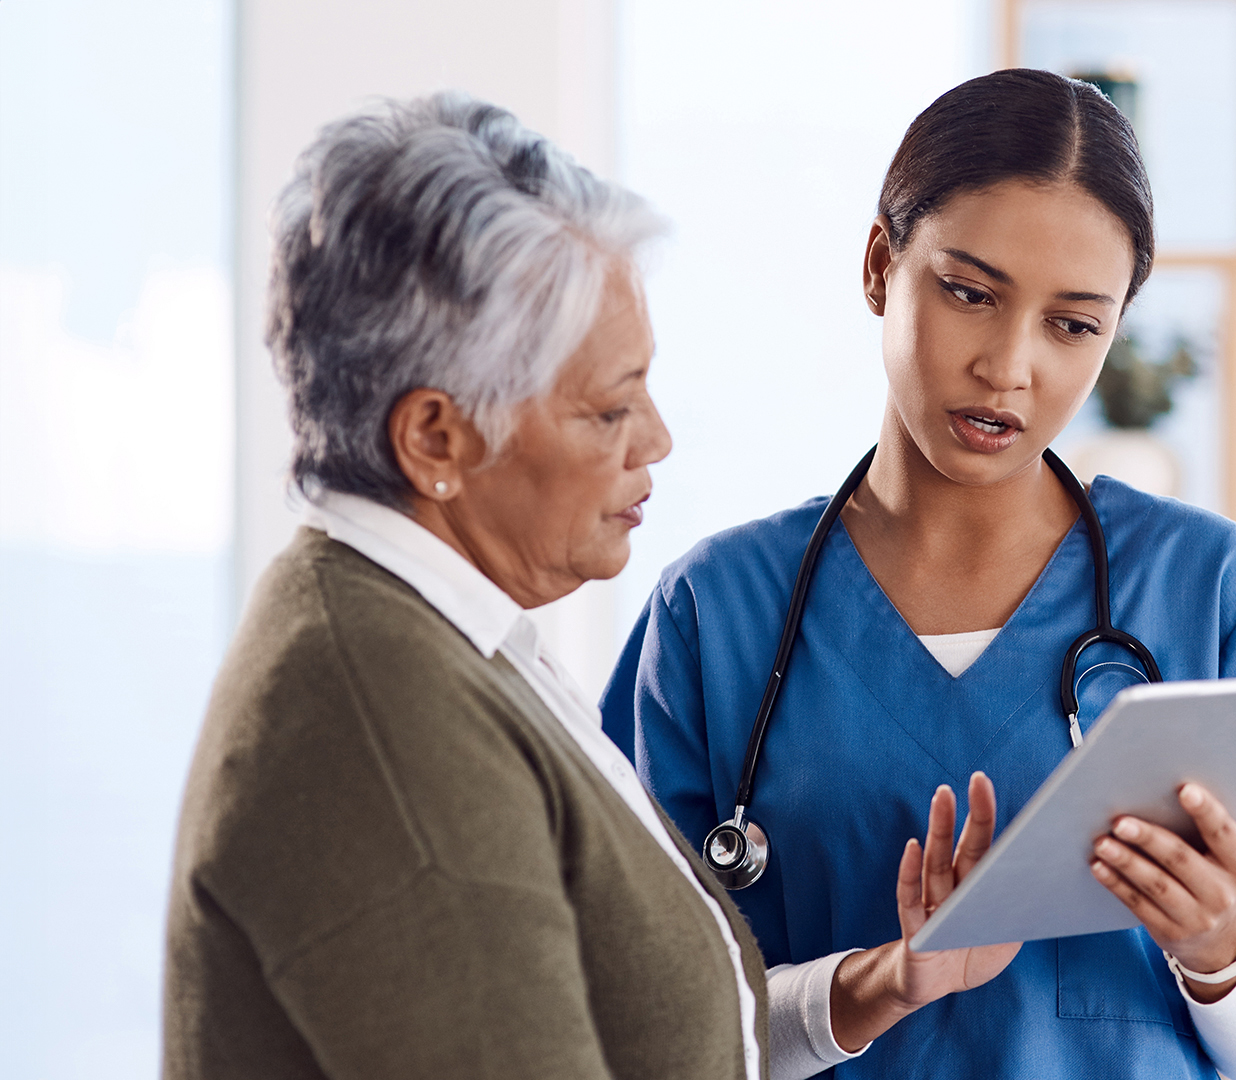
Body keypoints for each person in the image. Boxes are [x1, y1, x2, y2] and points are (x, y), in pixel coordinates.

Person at [163, 93, 966, 1080]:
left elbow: (646, 1028)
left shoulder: (440, 641)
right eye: (609, 409)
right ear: (435, 439)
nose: (657, 440)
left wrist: (879, 985)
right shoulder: (386, 721)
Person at [600, 69, 1236, 1080]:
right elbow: (655, 1022)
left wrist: (1215, 946)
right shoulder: (716, 613)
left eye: (1072, 325)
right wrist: (874, 984)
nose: (1010, 366)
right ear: (881, 265)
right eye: (970, 293)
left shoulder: (1214, 591)